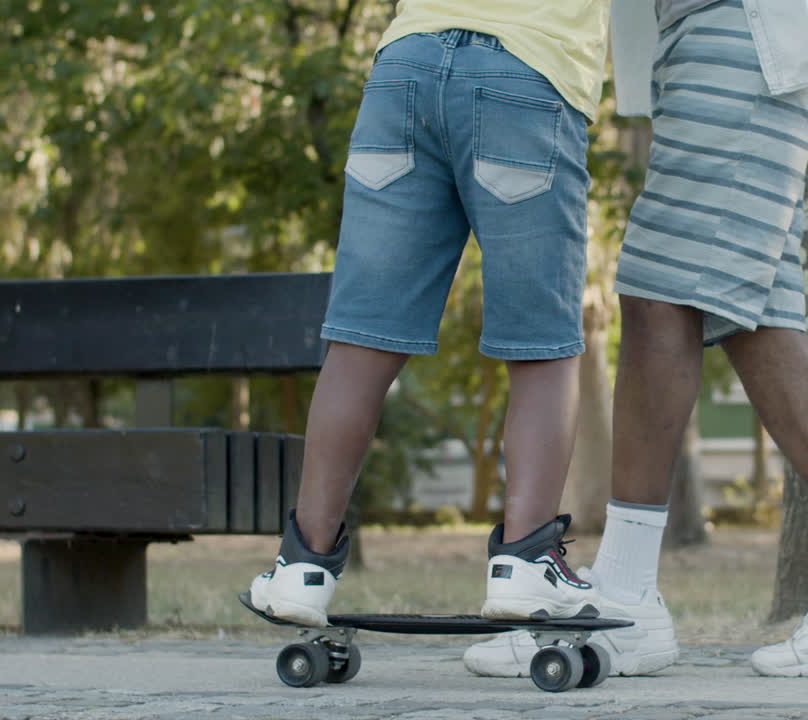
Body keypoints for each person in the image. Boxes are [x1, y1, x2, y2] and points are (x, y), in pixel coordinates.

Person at [465, 0, 808, 678]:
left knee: (665, 289)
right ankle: (635, 595)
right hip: (718, 29)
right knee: (739, 302)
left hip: (750, 26)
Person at [247, 0, 614, 627]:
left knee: (362, 339)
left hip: (405, 66)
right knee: (542, 343)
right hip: (529, 67)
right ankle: (526, 565)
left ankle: (300, 568)